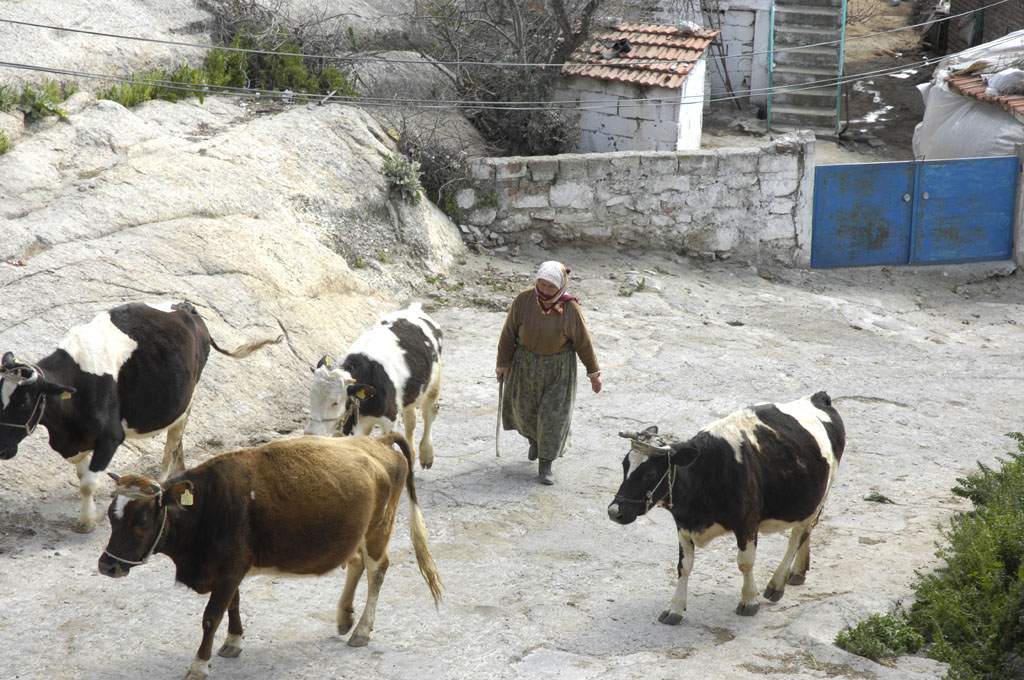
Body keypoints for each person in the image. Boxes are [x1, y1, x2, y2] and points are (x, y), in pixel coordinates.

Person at [495, 260, 602, 485]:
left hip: (558, 369)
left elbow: (583, 342)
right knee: (524, 412)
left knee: (553, 417)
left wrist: (593, 373)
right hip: (525, 365)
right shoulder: (524, 300)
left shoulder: (570, 308)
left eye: (550, 287)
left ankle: (546, 463)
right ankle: (534, 439)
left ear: (561, 286)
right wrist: (503, 363)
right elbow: (508, 333)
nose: (544, 290)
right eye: (541, 284)